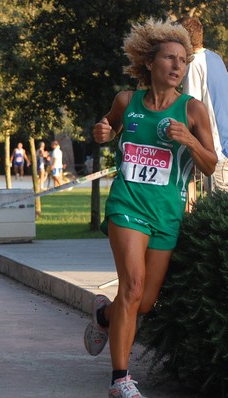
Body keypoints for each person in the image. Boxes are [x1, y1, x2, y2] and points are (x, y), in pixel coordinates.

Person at [84, 19, 216, 398]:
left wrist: (189, 139)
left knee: (143, 302)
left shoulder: (193, 111)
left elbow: (209, 165)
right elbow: (106, 127)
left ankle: (103, 316)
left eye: (183, 61)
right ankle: (120, 379)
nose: (177, 66)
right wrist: (103, 131)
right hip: (128, 205)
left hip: (167, 213)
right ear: (150, 62)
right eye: (170, 58)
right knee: (133, 285)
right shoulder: (128, 101)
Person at [177, 16, 228, 193]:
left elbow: (190, 110)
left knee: (218, 216)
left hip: (217, 151)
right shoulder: (215, 58)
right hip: (225, 146)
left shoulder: (193, 64)